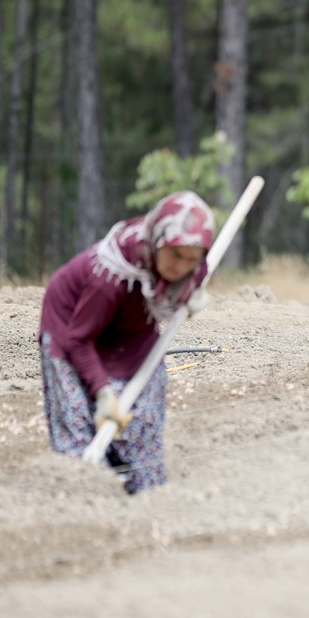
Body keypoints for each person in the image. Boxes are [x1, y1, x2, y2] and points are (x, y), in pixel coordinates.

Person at [39, 191, 216, 494]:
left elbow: (178, 288)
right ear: (158, 242)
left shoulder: (191, 266)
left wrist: (188, 298)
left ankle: (143, 484)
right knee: (78, 413)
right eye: (175, 255)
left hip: (130, 323)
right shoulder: (109, 278)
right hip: (73, 324)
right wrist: (103, 392)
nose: (182, 267)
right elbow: (79, 340)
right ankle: (91, 490)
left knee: (143, 406)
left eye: (191, 259)